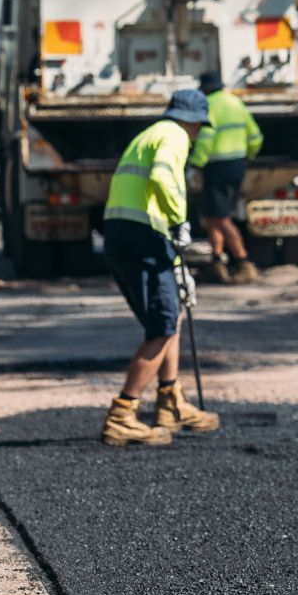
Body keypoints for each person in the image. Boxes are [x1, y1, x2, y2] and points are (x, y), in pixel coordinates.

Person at [99, 90, 221, 447]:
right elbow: (164, 177)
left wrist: (177, 261)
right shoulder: (175, 135)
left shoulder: (149, 134)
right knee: (163, 322)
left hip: (128, 233)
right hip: (143, 236)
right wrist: (180, 219)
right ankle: (123, 414)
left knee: (172, 315)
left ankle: (170, 402)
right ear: (195, 121)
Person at [189, 70, 264, 285]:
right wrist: (249, 154)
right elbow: (256, 136)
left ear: (204, 89)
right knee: (213, 215)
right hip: (237, 164)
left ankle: (243, 261)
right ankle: (216, 262)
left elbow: (205, 139)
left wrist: (195, 163)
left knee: (221, 217)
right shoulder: (236, 103)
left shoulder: (209, 106)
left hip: (216, 166)